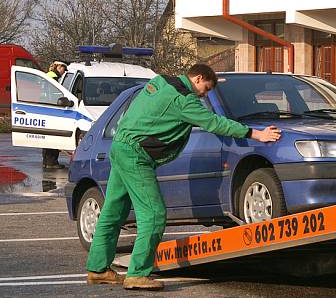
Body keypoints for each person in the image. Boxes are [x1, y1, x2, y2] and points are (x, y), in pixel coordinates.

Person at [85, 64, 282, 290]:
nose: (204, 95)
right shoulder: (184, 99)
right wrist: (256, 133)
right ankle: (137, 274)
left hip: (120, 146)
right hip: (136, 155)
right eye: (205, 89)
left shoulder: (159, 82)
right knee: (154, 213)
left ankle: (97, 269)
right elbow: (214, 122)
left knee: (113, 211)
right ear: (198, 78)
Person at [42, 60, 68, 169]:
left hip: (46, 108)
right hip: (51, 108)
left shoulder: (49, 74)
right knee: (52, 136)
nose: (64, 71)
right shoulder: (53, 77)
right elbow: (54, 94)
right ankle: (51, 162)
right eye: (63, 68)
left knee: (47, 136)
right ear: (58, 66)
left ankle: (47, 161)